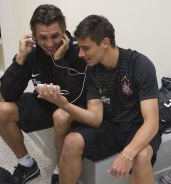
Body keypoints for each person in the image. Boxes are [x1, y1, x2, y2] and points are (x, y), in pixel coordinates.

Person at [35, 15, 162, 184]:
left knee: (142, 155)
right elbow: (95, 119)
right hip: (111, 126)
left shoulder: (139, 64)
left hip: (137, 127)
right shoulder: (92, 70)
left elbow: (152, 122)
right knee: (72, 141)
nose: (80, 54)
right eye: (79, 48)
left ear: (105, 42)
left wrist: (128, 153)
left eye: (86, 48)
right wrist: (63, 104)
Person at [0, 4, 86, 184]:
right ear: (33, 36)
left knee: (61, 115)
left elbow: (78, 96)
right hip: (43, 105)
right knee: (1, 110)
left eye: (55, 36)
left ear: (64, 32)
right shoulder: (31, 51)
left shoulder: (79, 51)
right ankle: (27, 164)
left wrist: (59, 60)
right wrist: (20, 58)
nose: (50, 44)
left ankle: (62, 168)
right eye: (43, 38)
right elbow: (8, 94)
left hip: (71, 107)